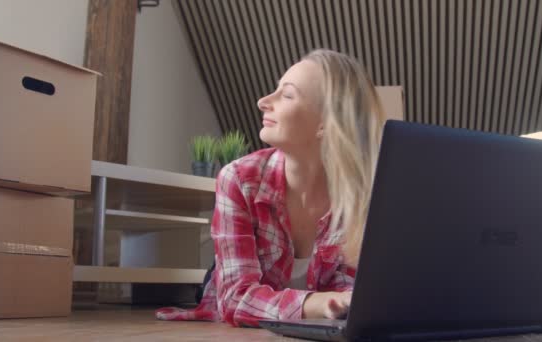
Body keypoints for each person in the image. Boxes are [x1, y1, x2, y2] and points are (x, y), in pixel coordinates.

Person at [156, 49, 386, 327]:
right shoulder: (238, 179)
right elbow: (234, 298)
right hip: (237, 291)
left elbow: (352, 296)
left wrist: (337, 304)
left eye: (287, 95)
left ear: (325, 124)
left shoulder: (365, 194)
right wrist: (314, 303)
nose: (263, 101)